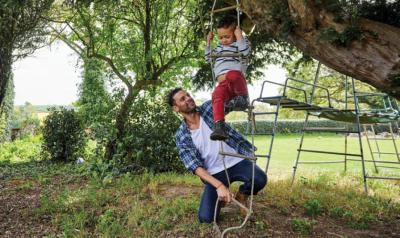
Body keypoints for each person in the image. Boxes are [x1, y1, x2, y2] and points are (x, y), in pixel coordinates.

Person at [167, 88, 267, 223]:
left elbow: (235, 102)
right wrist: (219, 186)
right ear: (176, 108)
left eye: (188, 95)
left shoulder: (209, 108)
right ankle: (220, 199)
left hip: (236, 161)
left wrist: (234, 85)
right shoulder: (181, 135)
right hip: (215, 173)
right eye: (182, 99)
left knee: (260, 178)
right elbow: (195, 167)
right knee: (206, 218)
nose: (188, 98)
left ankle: (242, 194)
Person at [205, 15, 251, 141]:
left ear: (235, 33)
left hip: (236, 84)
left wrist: (240, 36)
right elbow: (208, 58)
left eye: (227, 36)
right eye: (220, 37)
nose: (224, 40)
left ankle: (243, 98)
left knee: (232, 74)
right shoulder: (219, 48)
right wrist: (208, 42)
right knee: (216, 95)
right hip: (223, 85)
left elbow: (246, 53)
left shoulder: (241, 44)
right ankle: (219, 127)